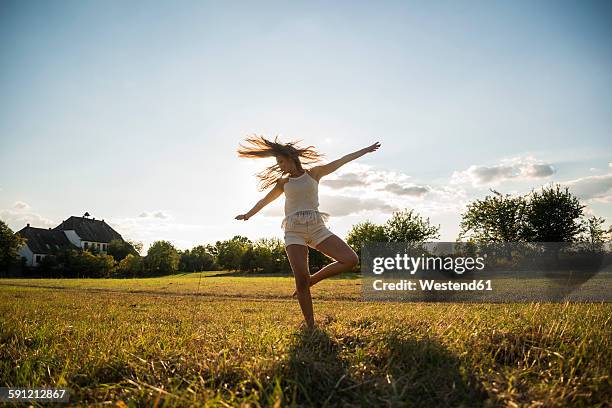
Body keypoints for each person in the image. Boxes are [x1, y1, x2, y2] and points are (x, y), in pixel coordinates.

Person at [235, 135, 381, 329]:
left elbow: (341, 161)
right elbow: (264, 201)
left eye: (281, 161)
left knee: (351, 259)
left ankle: (313, 280)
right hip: (294, 231)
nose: (279, 166)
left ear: (291, 158)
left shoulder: (314, 174)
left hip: (317, 227)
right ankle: (311, 326)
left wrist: (365, 150)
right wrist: (248, 214)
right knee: (300, 280)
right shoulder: (283, 183)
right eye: (277, 162)